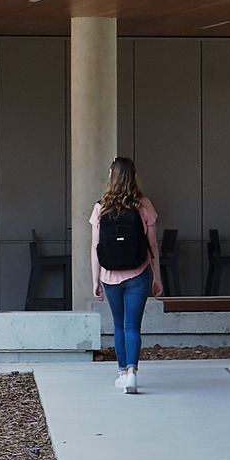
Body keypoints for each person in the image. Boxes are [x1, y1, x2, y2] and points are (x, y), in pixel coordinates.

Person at [89, 156, 159, 393]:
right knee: (132, 326)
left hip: (110, 276)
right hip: (138, 274)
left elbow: (95, 247)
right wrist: (157, 277)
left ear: (112, 177)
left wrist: (95, 279)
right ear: (133, 177)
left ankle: (121, 372)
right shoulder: (144, 205)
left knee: (118, 325)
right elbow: (153, 245)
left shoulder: (100, 207)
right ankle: (132, 372)